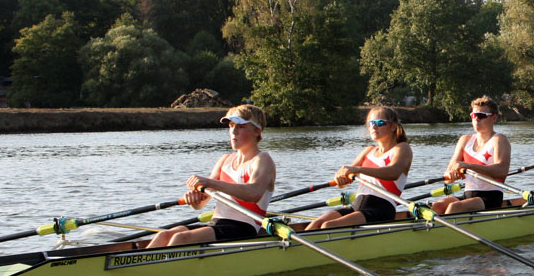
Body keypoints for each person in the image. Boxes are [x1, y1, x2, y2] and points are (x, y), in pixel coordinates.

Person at [146, 104, 276, 247]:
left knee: (181, 238)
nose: (234, 131)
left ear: (257, 131)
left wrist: (210, 183)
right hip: (217, 223)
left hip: (244, 227)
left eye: (240, 126)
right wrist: (194, 199)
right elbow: (201, 204)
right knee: (163, 235)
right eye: (231, 126)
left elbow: (253, 194)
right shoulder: (225, 160)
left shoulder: (262, 159)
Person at [306, 107, 412, 229]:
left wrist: (359, 170)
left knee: (328, 225)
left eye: (379, 123)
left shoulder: (402, 148)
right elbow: (345, 179)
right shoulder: (368, 151)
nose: (374, 127)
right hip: (356, 206)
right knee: (316, 224)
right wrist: (340, 178)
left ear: (393, 126)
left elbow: (394, 172)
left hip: (381, 210)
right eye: (371, 123)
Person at [431, 97, 511, 215]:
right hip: (468, 195)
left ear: (493, 118)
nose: (476, 119)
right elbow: (447, 178)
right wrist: (452, 175)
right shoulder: (464, 140)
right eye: (473, 115)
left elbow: (501, 171)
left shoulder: (499, 139)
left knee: (454, 207)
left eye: (481, 115)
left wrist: (468, 166)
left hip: (491, 198)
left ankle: (443, 226)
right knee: (436, 206)